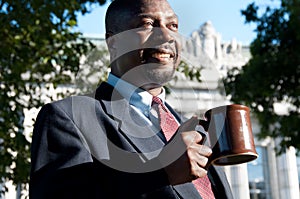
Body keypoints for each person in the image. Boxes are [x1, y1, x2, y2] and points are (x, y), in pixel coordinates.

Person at [29, 0, 233, 198]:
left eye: (173, 25)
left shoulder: (188, 129)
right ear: (113, 42)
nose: (166, 35)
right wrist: (161, 173)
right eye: (148, 24)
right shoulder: (69, 118)